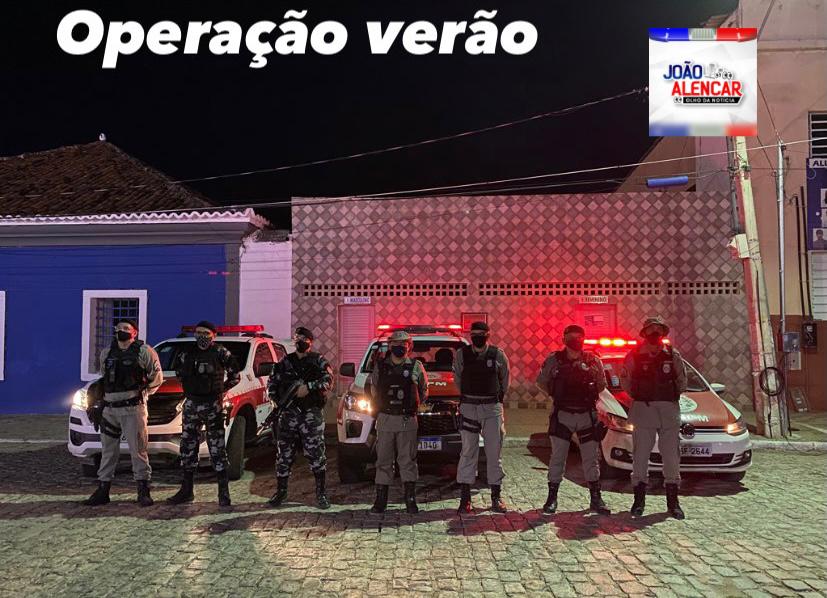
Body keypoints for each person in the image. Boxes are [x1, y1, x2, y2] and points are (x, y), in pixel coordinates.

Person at [83, 318, 163, 507]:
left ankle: (143, 489)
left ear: (135, 332)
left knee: (138, 451)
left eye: (126, 328)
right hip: (110, 409)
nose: (121, 331)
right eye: (118, 328)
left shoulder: (144, 351)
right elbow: (104, 377)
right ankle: (103, 489)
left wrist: (143, 394)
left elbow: (156, 377)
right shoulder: (107, 353)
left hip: (132, 409)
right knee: (108, 452)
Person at [536, 324, 610, 515]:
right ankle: (552, 498)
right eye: (571, 337)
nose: (575, 341)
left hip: (586, 415)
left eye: (579, 337)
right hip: (563, 414)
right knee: (557, 458)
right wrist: (556, 393)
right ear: (564, 339)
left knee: (591, 459)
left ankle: (596, 498)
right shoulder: (554, 360)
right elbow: (542, 382)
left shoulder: (593, 360)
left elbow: (601, 385)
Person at [166, 321, 241, 507]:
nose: (201, 336)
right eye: (198, 332)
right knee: (187, 447)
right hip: (191, 404)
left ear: (213, 335)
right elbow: (179, 373)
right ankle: (187, 490)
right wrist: (193, 388)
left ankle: (223, 493)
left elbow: (235, 376)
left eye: (205, 333)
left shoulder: (221, 352)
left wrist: (219, 391)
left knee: (217, 448)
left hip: (212, 405)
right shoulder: (187, 353)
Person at [621, 316, 688, 519]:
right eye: (651, 330)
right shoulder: (634, 355)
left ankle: (673, 503)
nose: (654, 333)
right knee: (640, 456)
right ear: (644, 333)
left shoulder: (672, 354)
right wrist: (641, 395)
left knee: (671, 458)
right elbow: (626, 381)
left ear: (663, 333)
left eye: (658, 330)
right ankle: (639, 501)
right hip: (644, 409)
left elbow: (682, 380)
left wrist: (668, 396)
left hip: (668, 410)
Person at [268, 326, 334, 509]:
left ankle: (321, 494)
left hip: (310, 414)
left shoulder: (318, 360)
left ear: (310, 342)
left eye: (304, 338)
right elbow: (272, 383)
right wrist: (275, 400)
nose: (300, 341)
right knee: (284, 454)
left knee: (316, 454)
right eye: (297, 337)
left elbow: (329, 380)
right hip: (289, 414)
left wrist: (309, 387)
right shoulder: (285, 362)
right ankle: (281, 492)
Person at [367, 330, 428, 514]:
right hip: (386, 418)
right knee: (383, 460)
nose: (399, 347)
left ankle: (410, 499)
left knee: (407, 460)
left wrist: (411, 405)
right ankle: (381, 500)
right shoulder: (381, 366)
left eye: (403, 344)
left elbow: (424, 391)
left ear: (409, 346)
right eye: (395, 344)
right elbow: (374, 389)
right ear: (390, 345)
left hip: (406, 420)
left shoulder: (416, 366)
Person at [453, 321, 510, 514]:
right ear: (470, 336)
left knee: (494, 453)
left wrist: (496, 399)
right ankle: (465, 498)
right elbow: (458, 379)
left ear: (488, 335)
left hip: (491, 408)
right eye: (474, 333)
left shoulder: (498, 354)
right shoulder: (462, 354)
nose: (477, 337)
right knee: (468, 452)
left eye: (481, 333)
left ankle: (496, 496)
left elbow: (504, 380)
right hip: (469, 407)